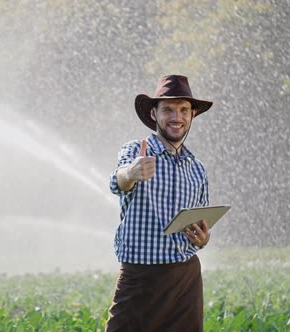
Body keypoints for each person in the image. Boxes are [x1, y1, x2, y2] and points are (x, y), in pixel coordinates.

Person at [105, 75, 213, 332]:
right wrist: (131, 174)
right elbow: (116, 182)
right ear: (154, 114)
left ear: (192, 115)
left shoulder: (196, 168)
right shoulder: (136, 151)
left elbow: (200, 223)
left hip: (186, 277)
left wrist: (203, 239)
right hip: (142, 275)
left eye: (183, 110)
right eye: (168, 109)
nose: (176, 116)